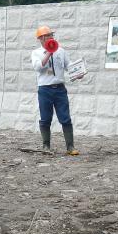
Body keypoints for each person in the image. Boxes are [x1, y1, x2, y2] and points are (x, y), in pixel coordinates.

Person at [30, 25, 79, 156]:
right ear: (40, 38)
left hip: (60, 89)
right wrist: (49, 52)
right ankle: (46, 145)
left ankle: (70, 146)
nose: (49, 37)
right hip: (45, 89)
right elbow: (38, 67)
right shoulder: (36, 53)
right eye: (46, 36)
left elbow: (69, 66)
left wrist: (77, 72)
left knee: (65, 118)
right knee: (45, 118)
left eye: (51, 35)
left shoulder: (61, 51)